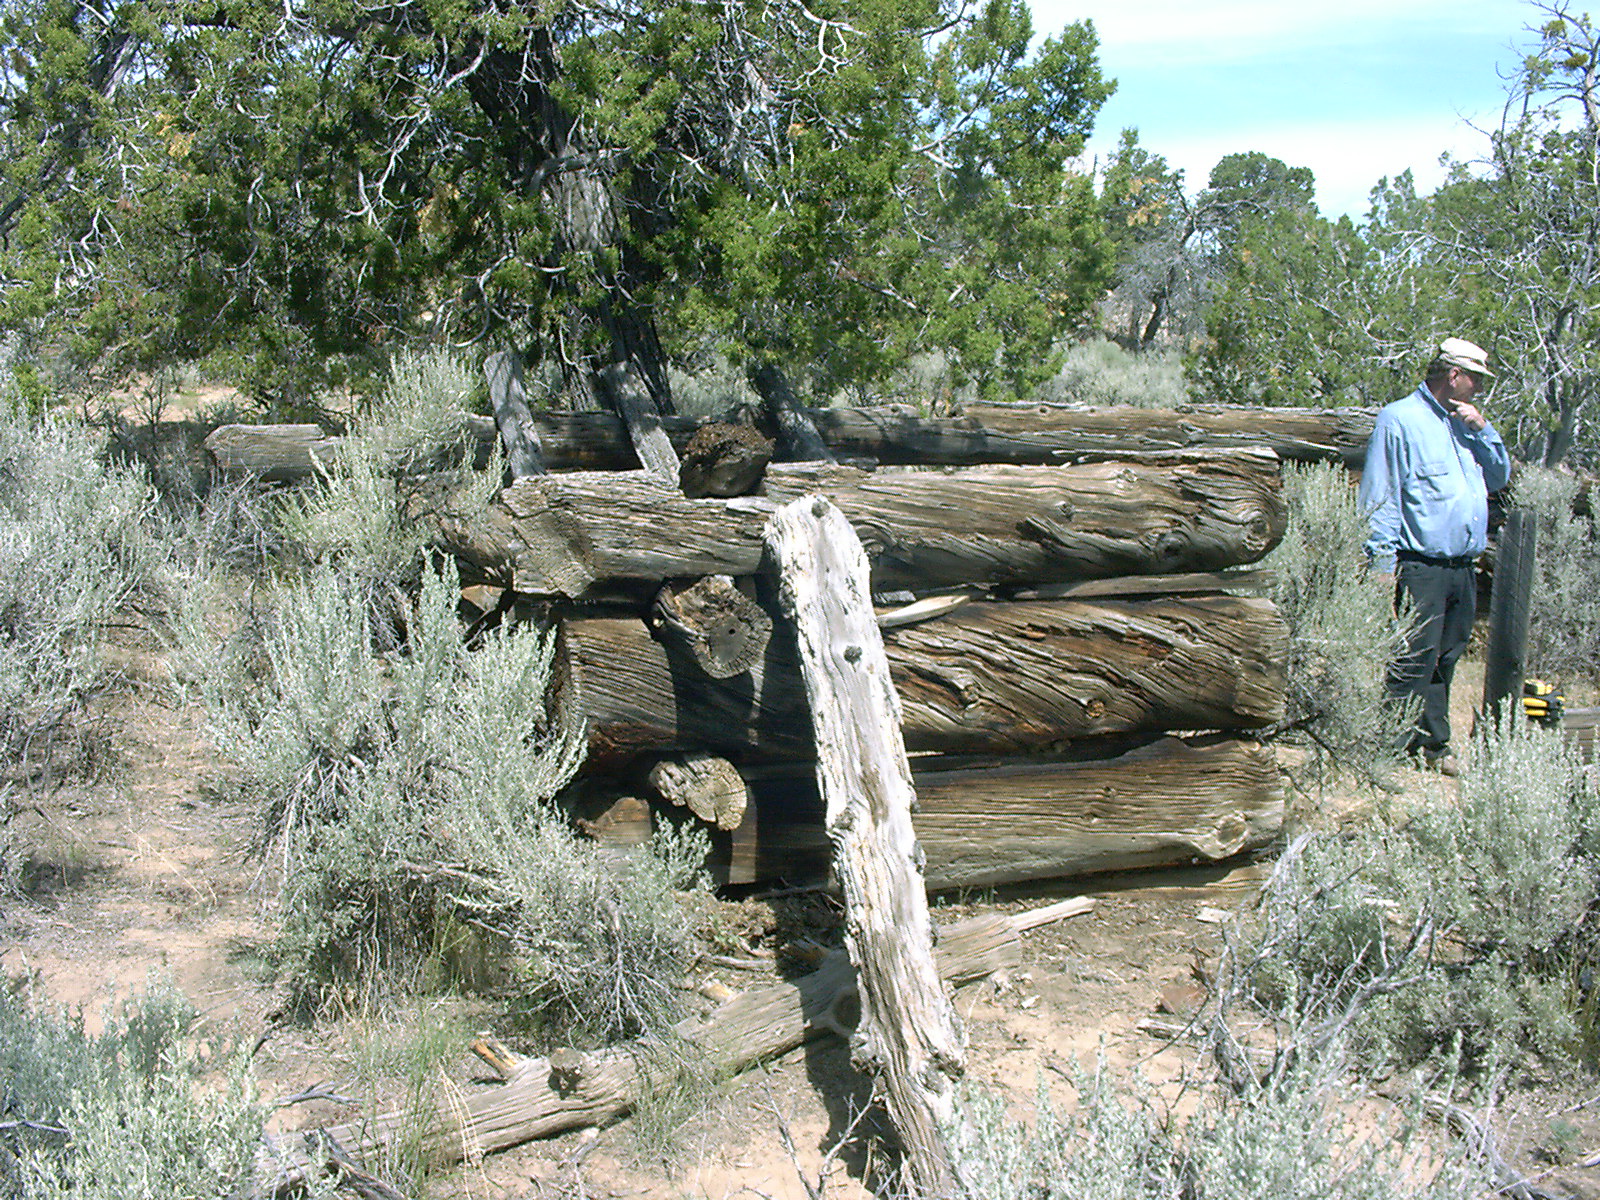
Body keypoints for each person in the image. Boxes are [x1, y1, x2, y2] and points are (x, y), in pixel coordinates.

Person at [1359, 337, 1512, 776]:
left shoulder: (1466, 423)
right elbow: (1381, 496)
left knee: (1446, 657)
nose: (1479, 388)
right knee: (1412, 658)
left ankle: (1432, 746)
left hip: (1462, 566)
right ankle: (1386, 748)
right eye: (1476, 380)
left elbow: (1499, 476)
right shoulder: (1400, 420)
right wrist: (1381, 565)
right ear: (1454, 376)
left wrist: (1484, 430)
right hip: (1421, 563)